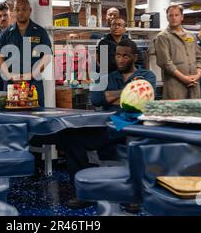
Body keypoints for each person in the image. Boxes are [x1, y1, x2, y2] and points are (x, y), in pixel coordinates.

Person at [59, 39, 156, 209]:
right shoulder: (108, 77)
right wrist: (128, 92)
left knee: (135, 136)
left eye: (125, 56)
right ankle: (84, 192)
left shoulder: (148, 75)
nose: (120, 59)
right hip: (109, 126)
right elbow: (96, 99)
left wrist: (111, 96)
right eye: (118, 55)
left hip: (132, 124)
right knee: (70, 137)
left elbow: (143, 100)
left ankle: (133, 194)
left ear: (134, 57)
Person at [0, 0, 52, 107]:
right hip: (12, 83)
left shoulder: (40, 32)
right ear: (13, 12)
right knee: (13, 116)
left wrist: (32, 74)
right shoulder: (6, 34)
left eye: (24, 9)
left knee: (37, 115)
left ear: (30, 10)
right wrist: (9, 76)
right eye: (17, 10)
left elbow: (47, 57)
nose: (20, 12)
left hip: (33, 83)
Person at [154, 5, 201, 99]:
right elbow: (166, 63)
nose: (173, 18)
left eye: (176, 15)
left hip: (194, 84)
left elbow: (200, 58)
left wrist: (197, 75)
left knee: (194, 111)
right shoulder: (163, 37)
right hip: (175, 86)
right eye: (171, 15)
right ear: (167, 17)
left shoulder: (191, 36)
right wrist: (184, 79)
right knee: (176, 111)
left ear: (182, 17)